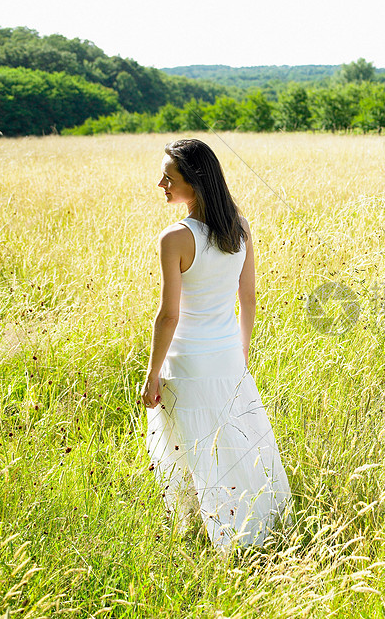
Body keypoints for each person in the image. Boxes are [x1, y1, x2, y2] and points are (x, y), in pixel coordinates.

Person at [141, 138, 291, 549]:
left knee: (191, 452)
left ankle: (207, 534)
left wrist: (151, 373)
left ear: (195, 182)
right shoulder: (239, 227)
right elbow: (249, 298)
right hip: (227, 358)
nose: (161, 184)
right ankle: (256, 529)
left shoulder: (174, 238)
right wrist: (240, 351)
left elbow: (169, 315)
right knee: (238, 447)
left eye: (169, 178)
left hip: (186, 364)